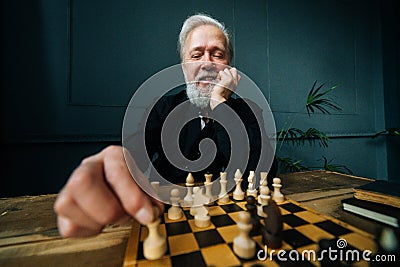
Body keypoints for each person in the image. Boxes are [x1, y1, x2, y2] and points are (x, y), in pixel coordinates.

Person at [54, 13, 277, 238]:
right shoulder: (164, 108)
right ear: (183, 68)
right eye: (196, 54)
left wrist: (219, 104)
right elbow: (130, 156)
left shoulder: (248, 110)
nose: (207, 63)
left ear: (229, 67)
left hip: (237, 222)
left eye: (217, 54)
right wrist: (107, 169)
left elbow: (263, 176)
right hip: (170, 222)